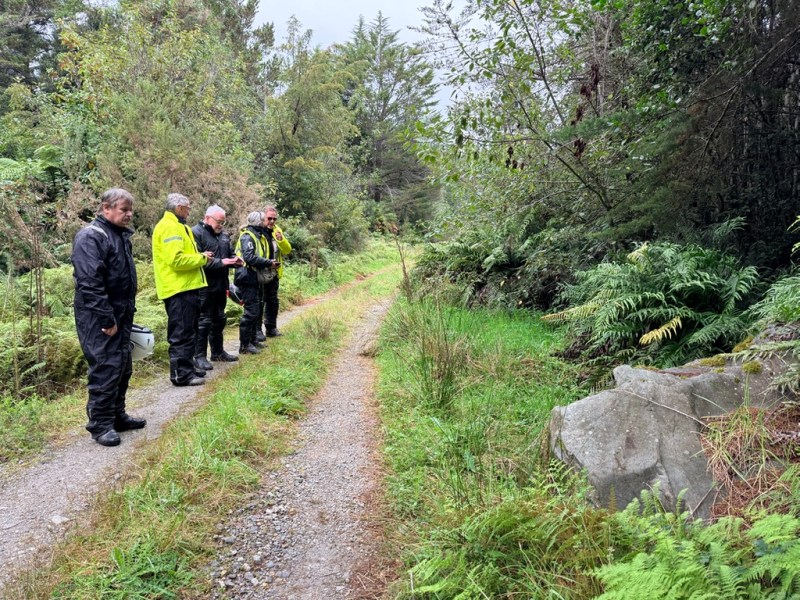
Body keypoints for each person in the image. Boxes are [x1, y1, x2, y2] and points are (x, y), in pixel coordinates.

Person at [71, 188, 145, 447]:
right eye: (124, 209)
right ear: (106, 208)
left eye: (130, 210)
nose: (129, 214)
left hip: (121, 312)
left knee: (123, 365)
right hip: (98, 316)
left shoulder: (120, 236)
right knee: (105, 367)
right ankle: (101, 424)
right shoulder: (91, 237)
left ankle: (117, 416)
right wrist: (106, 319)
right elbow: (89, 282)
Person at [152, 193, 211, 386]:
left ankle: (189, 368)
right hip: (177, 289)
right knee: (181, 334)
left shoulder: (180, 226)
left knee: (190, 331)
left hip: (187, 287)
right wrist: (202, 258)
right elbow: (176, 260)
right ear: (179, 208)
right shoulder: (169, 227)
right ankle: (181, 375)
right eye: (188, 208)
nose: (189, 212)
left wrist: (200, 256)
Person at [192, 205, 242, 370]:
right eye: (218, 221)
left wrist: (236, 261)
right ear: (207, 218)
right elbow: (197, 261)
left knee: (220, 319)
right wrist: (222, 262)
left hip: (221, 285)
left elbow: (230, 254)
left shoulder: (224, 236)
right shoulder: (196, 233)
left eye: (223, 222)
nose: (221, 225)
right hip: (203, 286)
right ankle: (199, 356)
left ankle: (218, 352)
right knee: (204, 321)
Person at [234, 211, 273, 354]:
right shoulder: (248, 236)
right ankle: (245, 345)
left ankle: (253, 340)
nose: (265, 223)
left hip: (253, 276)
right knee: (251, 312)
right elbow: (249, 258)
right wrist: (268, 262)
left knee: (256, 310)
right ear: (258, 222)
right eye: (263, 220)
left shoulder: (256, 235)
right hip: (246, 277)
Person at [260, 206, 292, 337]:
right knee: (260, 302)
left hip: (274, 273)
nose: (272, 221)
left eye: (274, 219)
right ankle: (257, 331)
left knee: (273, 301)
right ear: (263, 218)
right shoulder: (258, 231)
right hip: (260, 272)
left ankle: (271, 328)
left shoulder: (277, 230)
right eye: (269, 218)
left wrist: (281, 240)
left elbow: (287, 250)